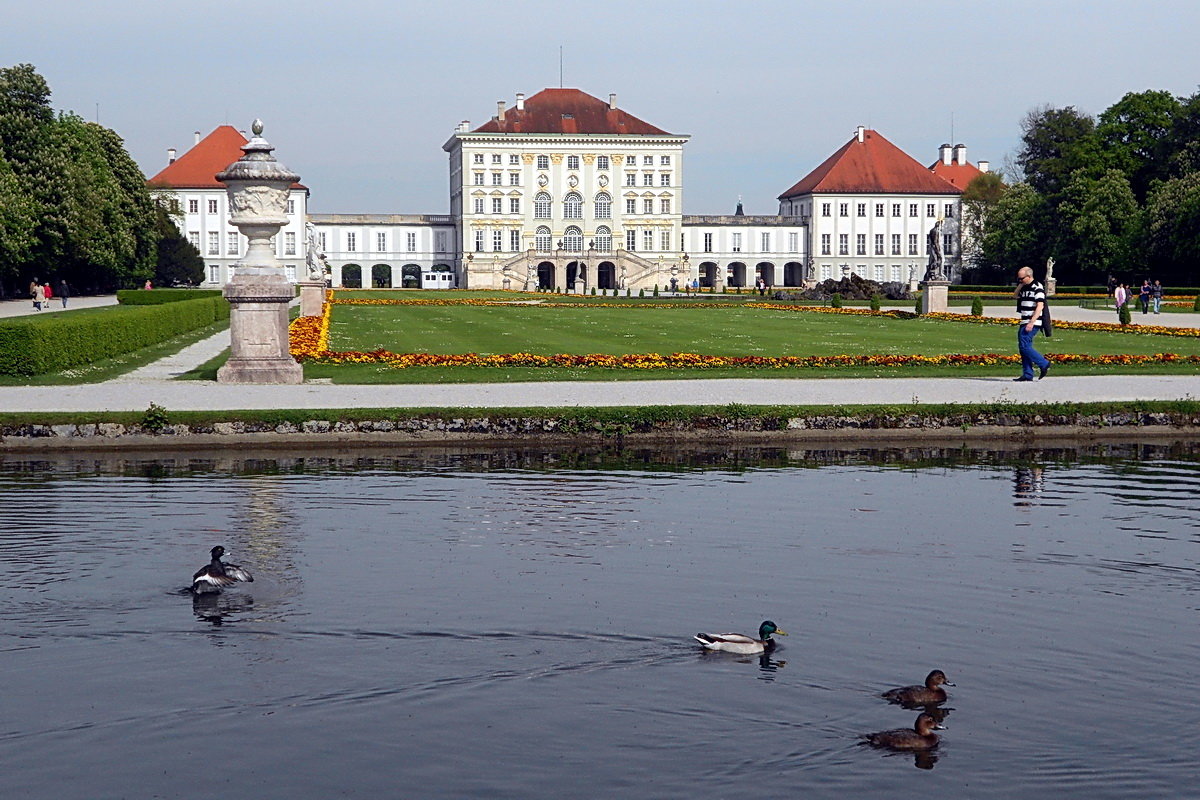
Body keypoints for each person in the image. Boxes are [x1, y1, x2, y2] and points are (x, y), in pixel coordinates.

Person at [1014, 266, 1050, 382]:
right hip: (1024, 320)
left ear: (1029, 276)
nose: (1020, 280)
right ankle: (1028, 374)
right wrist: (1020, 284)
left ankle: (1044, 363)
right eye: (1018, 279)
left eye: (1021, 278)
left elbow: (1040, 305)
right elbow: (1015, 295)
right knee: (1023, 347)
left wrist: (1032, 322)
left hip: (1032, 321)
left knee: (1024, 346)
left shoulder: (1037, 287)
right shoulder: (1024, 286)